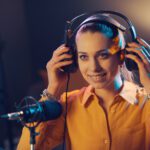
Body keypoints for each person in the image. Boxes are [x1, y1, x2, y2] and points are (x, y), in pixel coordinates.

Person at [17, 14, 150, 150]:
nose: (93, 67)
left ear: (123, 56)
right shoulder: (67, 104)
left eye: (103, 55)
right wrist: (53, 89)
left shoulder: (146, 102)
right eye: (83, 56)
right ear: (74, 60)